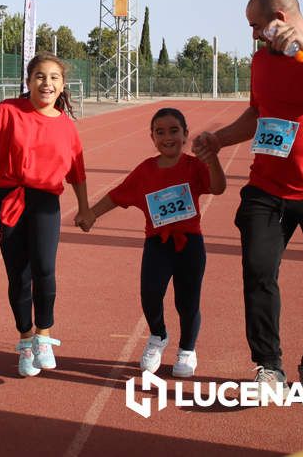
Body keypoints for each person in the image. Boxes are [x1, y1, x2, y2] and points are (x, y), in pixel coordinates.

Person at [192, 0, 303, 391]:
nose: (253, 35)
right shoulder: (262, 62)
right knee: (258, 272)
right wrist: (218, 139)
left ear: (281, 20)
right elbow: (258, 112)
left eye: (256, 26)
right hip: (267, 188)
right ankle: (268, 368)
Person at [0, 52, 91, 377]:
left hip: (46, 204)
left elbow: (77, 173)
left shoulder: (67, 127)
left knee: (44, 268)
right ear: (28, 82)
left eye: (54, 77)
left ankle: (44, 334)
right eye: (40, 76)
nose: (47, 83)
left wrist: (84, 208)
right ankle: (25, 341)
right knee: (19, 276)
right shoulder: (8, 111)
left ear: (63, 85)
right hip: (10, 200)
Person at [78, 108, 225, 377]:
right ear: (152, 137)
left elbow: (217, 187)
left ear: (185, 134)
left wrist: (212, 160)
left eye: (174, 131)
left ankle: (187, 350)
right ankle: (158, 336)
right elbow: (117, 196)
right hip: (157, 244)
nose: (167, 137)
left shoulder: (194, 166)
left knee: (187, 301)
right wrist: (91, 214)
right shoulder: (145, 170)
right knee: (150, 295)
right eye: (160, 132)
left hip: (190, 244)